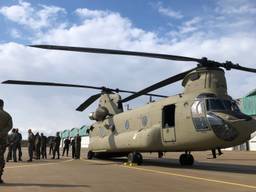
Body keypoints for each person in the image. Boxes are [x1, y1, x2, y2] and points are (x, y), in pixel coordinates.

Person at [0, 99, 13, 183]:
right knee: (0, 158)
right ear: (2, 105)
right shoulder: (7, 115)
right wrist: (2, 132)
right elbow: (10, 126)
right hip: (2, 140)